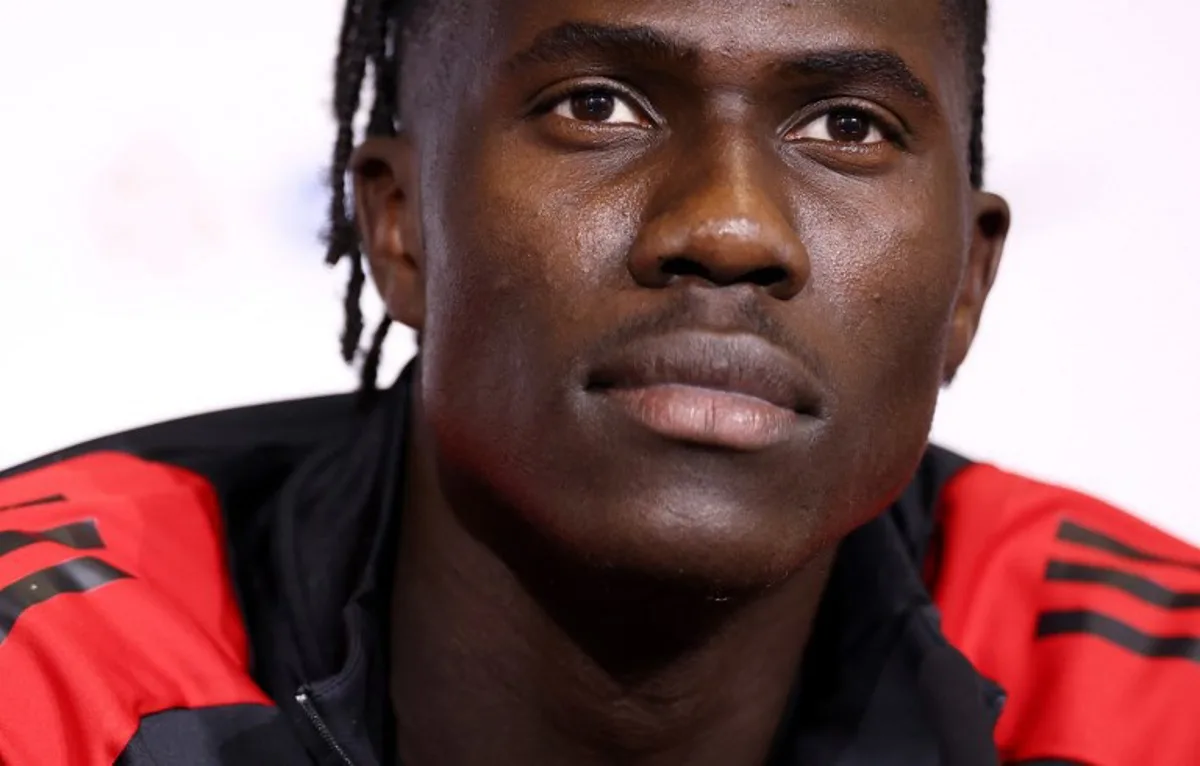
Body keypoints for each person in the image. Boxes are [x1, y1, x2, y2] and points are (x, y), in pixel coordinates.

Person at [1, 0, 1197, 763]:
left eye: (846, 127)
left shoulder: (1150, 695)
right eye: (598, 106)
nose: (730, 227)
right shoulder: (42, 673)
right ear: (401, 225)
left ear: (966, 286)